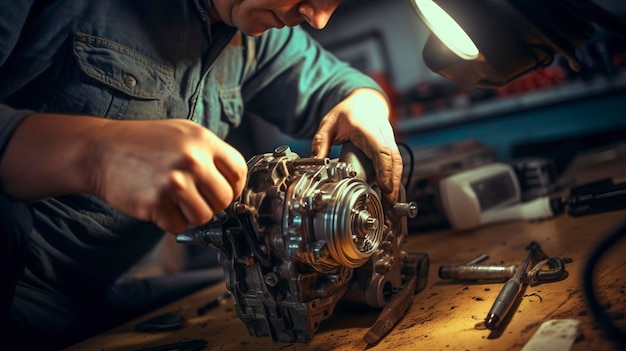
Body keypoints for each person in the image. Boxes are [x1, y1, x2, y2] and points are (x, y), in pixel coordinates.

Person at [0, 0, 403, 349]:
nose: (318, 19)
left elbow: (342, 85)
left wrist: (365, 104)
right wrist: (96, 152)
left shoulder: (255, 33)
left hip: (99, 294)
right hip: (20, 298)